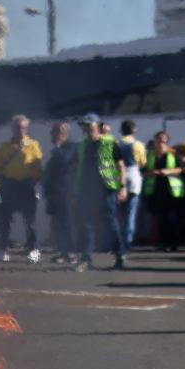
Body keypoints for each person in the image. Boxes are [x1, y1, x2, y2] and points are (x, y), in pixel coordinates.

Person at [71, 114, 128, 271]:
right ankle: (85, 259)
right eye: (84, 126)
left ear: (98, 126)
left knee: (110, 223)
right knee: (86, 225)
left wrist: (123, 186)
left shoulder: (110, 143)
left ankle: (119, 255)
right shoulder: (81, 145)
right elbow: (76, 168)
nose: (87, 128)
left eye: (90, 125)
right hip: (86, 189)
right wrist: (74, 190)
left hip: (106, 188)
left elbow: (121, 166)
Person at [0, 114, 44, 263]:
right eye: (17, 127)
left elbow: (38, 167)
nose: (19, 130)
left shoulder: (33, 145)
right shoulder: (6, 146)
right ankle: (3, 249)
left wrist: (34, 182)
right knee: (4, 220)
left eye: (22, 127)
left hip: (26, 186)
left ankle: (33, 249)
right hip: (9, 186)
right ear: (13, 128)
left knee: (30, 221)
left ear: (26, 129)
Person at [143, 130, 185, 252]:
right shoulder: (150, 155)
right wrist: (153, 173)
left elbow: (180, 169)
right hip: (156, 189)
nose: (161, 143)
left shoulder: (173, 154)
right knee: (160, 218)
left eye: (164, 141)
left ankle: (174, 243)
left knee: (171, 217)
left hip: (170, 190)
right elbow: (144, 172)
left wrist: (167, 171)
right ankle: (163, 242)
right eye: (159, 140)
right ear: (155, 141)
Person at [43, 121, 78, 263]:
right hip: (54, 191)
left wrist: (57, 147)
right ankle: (63, 252)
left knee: (67, 222)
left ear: (62, 134)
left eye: (54, 133)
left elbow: (65, 161)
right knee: (57, 222)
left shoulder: (70, 147)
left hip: (65, 191)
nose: (52, 136)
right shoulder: (55, 150)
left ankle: (71, 252)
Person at [118, 120, 148, 255]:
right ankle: (127, 240)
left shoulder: (116, 144)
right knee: (131, 211)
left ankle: (118, 239)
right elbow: (142, 163)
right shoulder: (138, 145)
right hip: (134, 174)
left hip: (119, 175)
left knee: (119, 212)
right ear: (134, 130)